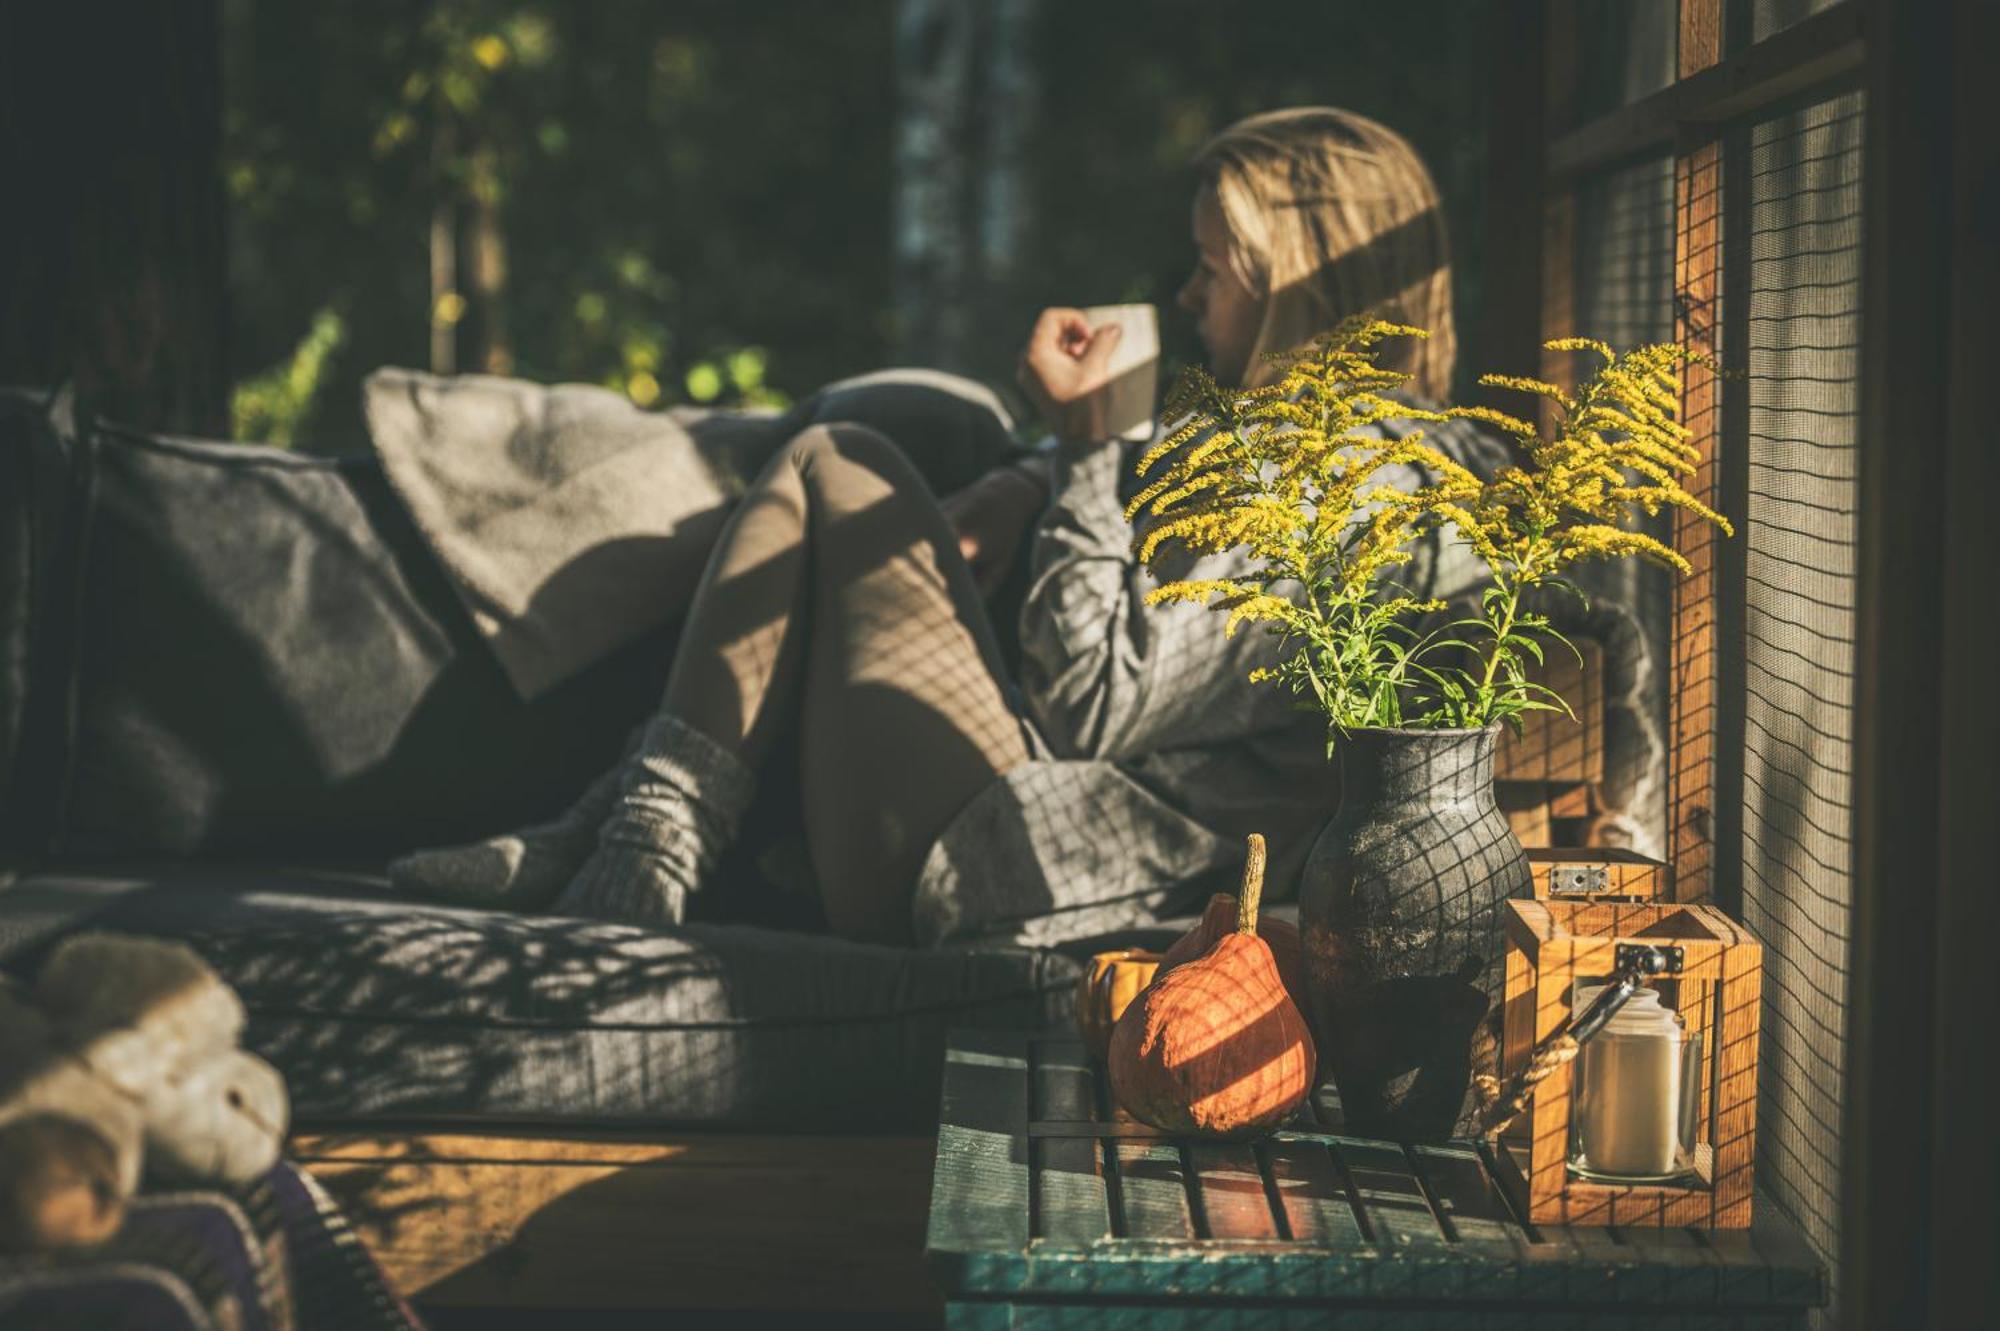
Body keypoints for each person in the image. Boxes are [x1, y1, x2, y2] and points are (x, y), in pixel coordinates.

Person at [390, 106, 1509, 947]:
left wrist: (1079, 450)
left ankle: (636, 834)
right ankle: (630, 819)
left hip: (1024, 869)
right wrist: (1037, 474)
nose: (1184, 299)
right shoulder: (1399, 461)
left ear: (1295, 290)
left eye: (1212, 271)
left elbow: (1093, 703)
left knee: (840, 463)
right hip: (1026, 835)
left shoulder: (1329, 483)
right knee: (876, 449)